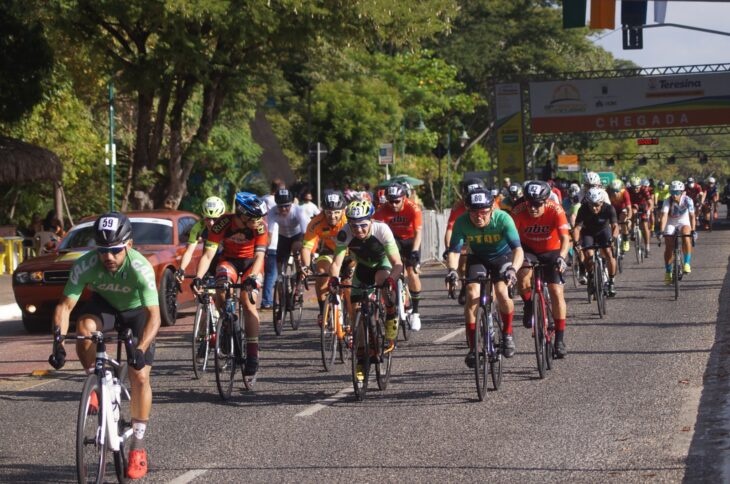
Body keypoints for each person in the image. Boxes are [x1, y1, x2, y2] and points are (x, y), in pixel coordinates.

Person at [48, 212, 160, 479]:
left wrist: (140, 349)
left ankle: (138, 448)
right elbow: (65, 307)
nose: (108, 257)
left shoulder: (140, 267)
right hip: (106, 306)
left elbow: (154, 316)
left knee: (140, 376)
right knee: (85, 328)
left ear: (128, 246)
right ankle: (97, 382)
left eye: (115, 251)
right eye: (102, 251)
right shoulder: (86, 265)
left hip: (137, 312)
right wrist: (58, 344)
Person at [192, 192, 268, 377]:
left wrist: (253, 277)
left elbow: (260, 256)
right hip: (230, 261)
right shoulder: (222, 223)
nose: (258, 221)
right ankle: (226, 326)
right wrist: (198, 277)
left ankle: (252, 354)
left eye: (260, 218)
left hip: (252, 264)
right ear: (242, 215)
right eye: (254, 218)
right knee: (221, 286)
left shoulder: (260, 227)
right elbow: (208, 254)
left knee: (248, 302)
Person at [445, 188, 523, 364]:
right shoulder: (462, 222)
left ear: (492, 209)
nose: (478, 217)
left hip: (502, 256)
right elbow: (455, 251)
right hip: (478, 257)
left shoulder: (503, 219)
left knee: (502, 291)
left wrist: (513, 269)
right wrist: (451, 270)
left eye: (483, 212)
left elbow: (518, 250)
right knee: (472, 293)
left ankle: (507, 333)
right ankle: (473, 348)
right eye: (474, 212)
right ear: (467, 210)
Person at [328, 199, 403, 381]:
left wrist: (392, 280)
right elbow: (336, 262)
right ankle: (362, 358)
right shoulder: (344, 233)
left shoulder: (382, 229)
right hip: (362, 267)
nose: (358, 230)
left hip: (383, 263)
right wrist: (333, 279)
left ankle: (391, 313)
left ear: (371, 220)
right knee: (357, 316)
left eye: (363, 225)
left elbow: (398, 264)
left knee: (381, 279)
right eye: (354, 226)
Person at [511, 181, 571, 358]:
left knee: (556, 291)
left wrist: (562, 257)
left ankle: (559, 339)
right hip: (527, 249)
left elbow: (565, 239)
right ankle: (529, 304)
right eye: (530, 203)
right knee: (522, 278)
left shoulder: (556, 210)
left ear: (546, 201)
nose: (533, 208)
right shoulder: (518, 211)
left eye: (538, 204)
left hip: (552, 250)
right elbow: (510, 238)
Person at [373, 182, 424, 331]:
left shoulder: (413, 208)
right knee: (392, 272)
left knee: (412, 272)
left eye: (397, 201)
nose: (393, 205)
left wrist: (414, 252)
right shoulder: (382, 211)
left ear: (404, 198)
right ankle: (396, 300)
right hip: (393, 240)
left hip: (410, 240)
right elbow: (377, 234)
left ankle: (415, 312)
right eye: (390, 201)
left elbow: (418, 233)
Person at [300, 190, 348, 327]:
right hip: (329, 251)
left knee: (349, 286)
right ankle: (323, 311)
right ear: (323, 211)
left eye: (336, 212)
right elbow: (306, 248)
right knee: (321, 273)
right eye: (329, 212)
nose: (332, 216)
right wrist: (306, 267)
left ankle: (352, 318)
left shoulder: (348, 220)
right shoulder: (316, 222)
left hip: (350, 252)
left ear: (343, 210)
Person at [444, 178, 486, 305]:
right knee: (461, 262)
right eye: (468, 196)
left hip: (487, 236)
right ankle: (464, 284)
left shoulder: (491, 203)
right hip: (468, 235)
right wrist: (448, 248)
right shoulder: (458, 206)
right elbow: (450, 229)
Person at [572, 187, 619, 297]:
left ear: (602, 202)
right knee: (588, 254)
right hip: (588, 232)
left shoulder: (609, 208)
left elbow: (615, 226)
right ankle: (591, 276)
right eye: (591, 204)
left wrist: (614, 237)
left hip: (604, 231)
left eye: (597, 205)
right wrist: (576, 242)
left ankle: (611, 281)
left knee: (608, 252)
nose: (594, 208)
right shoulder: (583, 209)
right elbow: (577, 228)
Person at [175, 196, 226, 282]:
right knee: (201, 288)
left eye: (215, 219)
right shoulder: (198, 227)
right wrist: (181, 269)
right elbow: (189, 252)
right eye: (207, 218)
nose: (211, 223)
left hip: (225, 257)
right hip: (208, 259)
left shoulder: (227, 225)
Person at [657, 181, 696, 283]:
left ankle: (687, 263)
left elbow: (692, 216)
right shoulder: (667, 201)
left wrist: (693, 230)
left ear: (682, 192)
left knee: (686, 236)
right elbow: (664, 216)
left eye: (677, 192)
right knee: (669, 246)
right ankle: (668, 271)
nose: (674, 195)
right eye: (672, 192)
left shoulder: (688, 200)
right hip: (671, 221)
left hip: (684, 220)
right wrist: (661, 231)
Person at [261, 180, 284, 310]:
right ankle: (267, 301)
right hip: (275, 241)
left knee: (271, 274)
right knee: (273, 274)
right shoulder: (273, 201)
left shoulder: (263, 199)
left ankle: (268, 300)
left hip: (267, 241)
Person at [628, 175, 653, 258]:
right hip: (633, 206)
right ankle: (632, 230)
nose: (635, 189)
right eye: (633, 187)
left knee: (645, 226)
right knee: (633, 212)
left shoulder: (644, 190)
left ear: (640, 186)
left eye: (637, 187)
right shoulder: (628, 190)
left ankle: (647, 246)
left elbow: (650, 203)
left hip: (643, 206)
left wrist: (649, 210)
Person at [607, 179, 633, 253]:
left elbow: (629, 208)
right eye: (613, 191)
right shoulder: (607, 192)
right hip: (612, 210)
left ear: (620, 189)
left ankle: (625, 239)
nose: (615, 193)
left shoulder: (625, 193)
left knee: (623, 218)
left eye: (617, 191)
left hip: (622, 209)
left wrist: (629, 219)